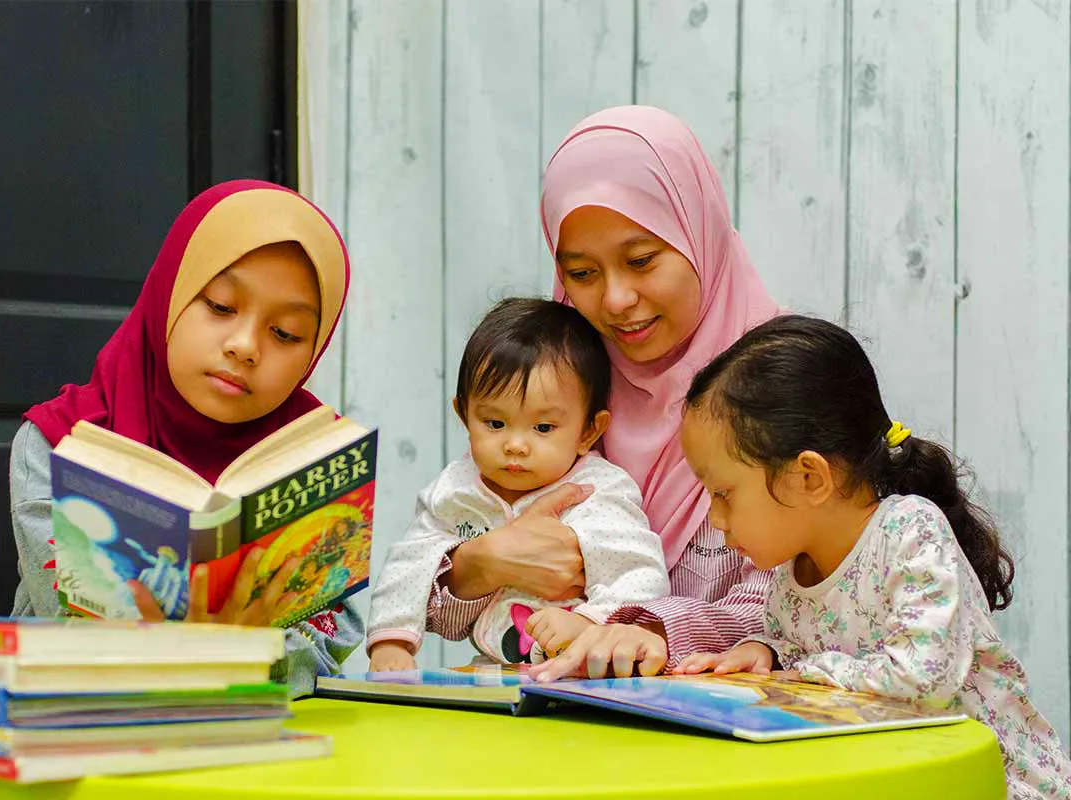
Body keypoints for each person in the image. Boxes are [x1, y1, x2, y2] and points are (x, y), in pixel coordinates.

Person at [427, 106, 780, 675]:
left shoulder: (784, 388)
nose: (615, 300)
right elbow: (448, 582)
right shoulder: (563, 390)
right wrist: (479, 561)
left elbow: (796, 607)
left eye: (641, 260)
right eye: (583, 274)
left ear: (699, 234)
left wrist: (634, 625)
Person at [667, 314, 1068, 800]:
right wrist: (766, 654)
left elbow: (923, 678)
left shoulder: (908, 532)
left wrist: (799, 673)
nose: (716, 519)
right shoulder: (792, 573)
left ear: (808, 477)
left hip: (990, 784)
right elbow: (819, 654)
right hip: (894, 778)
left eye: (724, 493)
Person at [9, 179, 362, 696]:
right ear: (168, 292)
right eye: (220, 305)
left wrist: (246, 663)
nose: (245, 346)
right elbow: (63, 614)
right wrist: (208, 655)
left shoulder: (316, 460)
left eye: (285, 333)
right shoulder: (59, 442)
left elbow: (333, 636)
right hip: (78, 728)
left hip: (258, 733)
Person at [367, 298, 669, 670]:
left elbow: (638, 572)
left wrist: (588, 622)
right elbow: (410, 563)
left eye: (543, 428)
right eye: (494, 423)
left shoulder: (598, 491)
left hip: (586, 674)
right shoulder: (455, 490)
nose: (515, 444)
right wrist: (392, 641)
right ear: (464, 414)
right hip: (493, 672)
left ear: (589, 431)